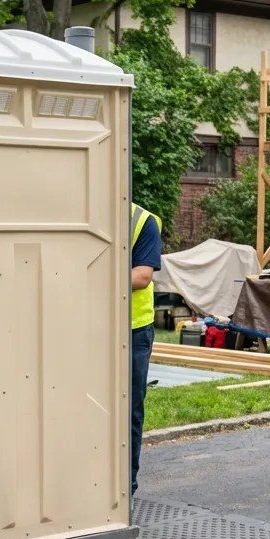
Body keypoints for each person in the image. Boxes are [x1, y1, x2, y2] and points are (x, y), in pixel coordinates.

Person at [129, 202, 162, 494]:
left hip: (133, 330)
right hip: (90, 326)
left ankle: (127, 484)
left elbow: (141, 277)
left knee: (129, 409)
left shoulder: (142, 221)